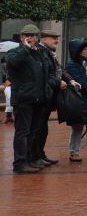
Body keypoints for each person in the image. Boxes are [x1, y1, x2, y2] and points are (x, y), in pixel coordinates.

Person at [7, 24, 48, 173]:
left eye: (32, 35)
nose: (29, 38)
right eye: (26, 35)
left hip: (38, 99)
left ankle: (29, 159)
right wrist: (25, 49)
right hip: (23, 99)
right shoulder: (15, 52)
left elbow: (45, 74)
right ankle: (19, 163)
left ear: (37, 38)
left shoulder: (39, 53)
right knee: (22, 132)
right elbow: (13, 63)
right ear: (21, 37)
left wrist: (46, 92)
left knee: (33, 131)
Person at [35, 27, 75, 167]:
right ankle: (35, 156)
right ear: (44, 39)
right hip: (42, 95)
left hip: (50, 94)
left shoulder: (50, 53)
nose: (57, 40)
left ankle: (40, 154)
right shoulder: (40, 52)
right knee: (38, 127)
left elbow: (60, 69)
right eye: (54, 38)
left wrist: (70, 80)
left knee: (43, 127)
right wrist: (59, 82)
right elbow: (45, 74)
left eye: (57, 38)